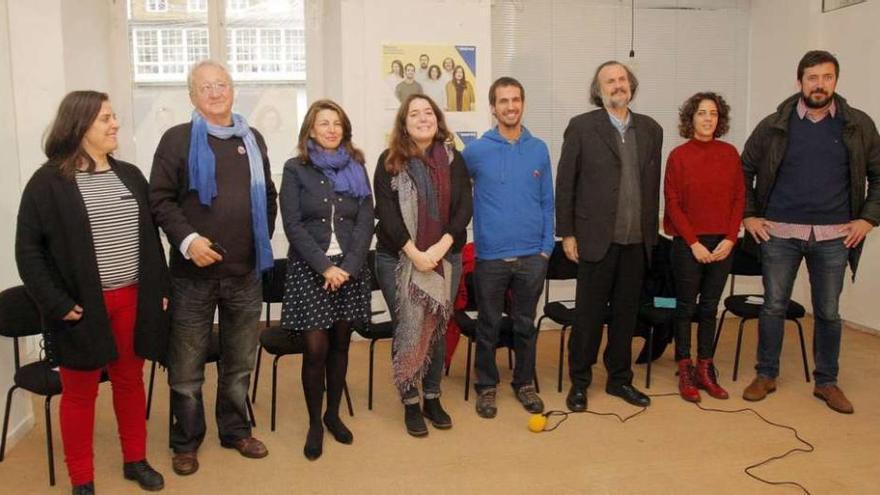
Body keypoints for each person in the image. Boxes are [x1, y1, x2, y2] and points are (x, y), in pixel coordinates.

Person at [16, 91, 168, 494]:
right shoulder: (48, 182)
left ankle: (135, 459)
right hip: (82, 309)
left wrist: (160, 289)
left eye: (113, 116)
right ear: (79, 125)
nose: (115, 123)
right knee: (79, 394)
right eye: (105, 118)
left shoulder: (130, 174)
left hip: (132, 300)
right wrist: (58, 304)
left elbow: (150, 239)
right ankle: (81, 479)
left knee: (129, 381)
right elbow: (29, 253)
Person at [149, 60, 277, 475]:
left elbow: (269, 196)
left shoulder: (251, 138)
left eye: (222, 84)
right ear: (192, 96)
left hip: (245, 275)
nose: (216, 91)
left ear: (233, 90)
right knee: (186, 368)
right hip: (191, 279)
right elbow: (160, 200)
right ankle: (185, 442)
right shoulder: (176, 139)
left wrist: (258, 241)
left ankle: (235, 430)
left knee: (240, 361)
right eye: (206, 86)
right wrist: (189, 241)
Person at [740, 50, 880, 414]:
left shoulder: (858, 125)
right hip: (780, 234)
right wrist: (749, 215)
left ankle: (827, 382)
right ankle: (766, 374)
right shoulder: (774, 124)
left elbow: (878, 176)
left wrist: (868, 220)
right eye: (813, 77)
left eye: (827, 77)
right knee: (773, 306)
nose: (820, 84)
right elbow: (744, 169)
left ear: (836, 80)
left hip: (835, 236)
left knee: (829, 312)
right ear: (799, 80)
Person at [556, 60, 663, 411]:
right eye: (610, 81)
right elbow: (565, 184)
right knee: (588, 316)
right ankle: (580, 383)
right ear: (598, 90)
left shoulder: (651, 129)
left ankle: (620, 379)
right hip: (595, 239)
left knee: (625, 315)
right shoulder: (582, 127)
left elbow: (650, 186)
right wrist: (567, 233)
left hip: (637, 240)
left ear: (630, 84)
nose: (618, 85)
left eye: (622, 79)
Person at [373, 94, 472, 437]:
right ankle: (410, 399)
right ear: (404, 122)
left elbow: (463, 209)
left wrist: (441, 247)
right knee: (408, 326)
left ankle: (432, 395)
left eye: (428, 112)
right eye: (414, 113)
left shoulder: (453, 160)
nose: (422, 118)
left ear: (437, 118)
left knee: (439, 324)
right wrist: (416, 254)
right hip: (398, 258)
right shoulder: (389, 162)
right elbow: (386, 216)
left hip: (446, 255)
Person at [280, 100, 373, 460]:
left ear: (344, 130)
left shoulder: (357, 167)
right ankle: (314, 423)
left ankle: (333, 415)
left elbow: (366, 219)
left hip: (349, 268)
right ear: (311, 130)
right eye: (324, 123)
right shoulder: (294, 169)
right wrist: (325, 268)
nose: (331, 129)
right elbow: (293, 225)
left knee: (340, 344)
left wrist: (347, 266)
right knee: (316, 350)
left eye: (337, 123)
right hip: (311, 269)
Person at [462, 77, 553, 418]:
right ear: (492, 108)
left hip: (533, 256)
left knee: (525, 324)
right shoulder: (475, 152)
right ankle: (486, 386)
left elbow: (548, 202)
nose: (510, 106)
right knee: (488, 325)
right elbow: (456, 194)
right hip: (491, 257)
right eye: (503, 101)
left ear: (523, 104)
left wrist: (546, 249)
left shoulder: (539, 148)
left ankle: (524, 382)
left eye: (516, 99)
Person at [663, 92, 744, 403]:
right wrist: (693, 243)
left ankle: (705, 368)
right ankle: (685, 368)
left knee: (710, 307)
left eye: (713, 113)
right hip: (688, 244)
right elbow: (672, 204)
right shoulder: (678, 156)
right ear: (690, 119)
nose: (708, 118)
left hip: (723, 243)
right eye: (701, 113)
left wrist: (730, 239)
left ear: (719, 119)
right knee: (685, 308)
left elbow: (739, 198)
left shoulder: (730, 153)